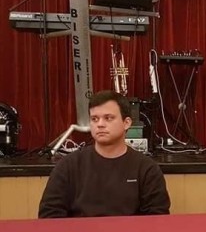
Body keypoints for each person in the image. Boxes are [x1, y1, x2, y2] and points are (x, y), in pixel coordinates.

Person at [39, 90, 170, 217]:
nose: (100, 124)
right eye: (94, 119)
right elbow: (49, 216)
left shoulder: (146, 169)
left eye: (108, 118)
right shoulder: (68, 166)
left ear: (126, 123)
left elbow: (157, 220)